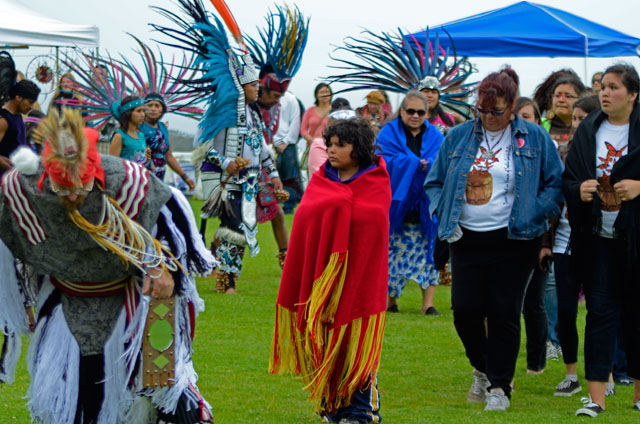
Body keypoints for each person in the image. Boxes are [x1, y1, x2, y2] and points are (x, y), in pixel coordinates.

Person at [0, 108, 215, 422]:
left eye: (80, 187)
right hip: (65, 303)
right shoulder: (23, 192)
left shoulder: (131, 185)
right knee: (69, 401)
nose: (73, 197)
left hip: (129, 300)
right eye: (63, 188)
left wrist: (161, 268)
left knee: (154, 389)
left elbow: (168, 232)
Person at [425, 66, 563, 411]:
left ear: (512, 106)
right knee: (466, 312)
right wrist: (443, 213)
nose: (488, 117)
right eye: (481, 110)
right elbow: (435, 182)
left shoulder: (534, 137)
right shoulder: (457, 137)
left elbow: (554, 183)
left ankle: (500, 387)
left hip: (515, 238)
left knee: (503, 311)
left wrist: (536, 213)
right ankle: (483, 369)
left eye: (496, 111)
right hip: (466, 237)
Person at [154, 0, 283, 294]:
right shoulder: (226, 115)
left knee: (241, 228)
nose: (258, 91)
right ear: (241, 86)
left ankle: (218, 269)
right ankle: (226, 281)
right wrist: (227, 165)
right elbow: (206, 151)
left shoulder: (252, 114)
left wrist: (272, 174)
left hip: (248, 179)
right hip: (225, 180)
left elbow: (261, 148)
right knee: (232, 229)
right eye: (254, 87)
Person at [270, 118, 391, 424]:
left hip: (360, 278)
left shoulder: (376, 179)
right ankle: (332, 408)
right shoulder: (322, 179)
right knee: (323, 341)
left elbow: (374, 225)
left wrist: (343, 209)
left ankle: (360, 411)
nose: (332, 150)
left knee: (356, 341)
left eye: (341, 145)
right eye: (330, 144)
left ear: (358, 148)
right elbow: (306, 222)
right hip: (322, 281)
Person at [564, 63, 640, 417]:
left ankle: (639, 396)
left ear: (633, 94)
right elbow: (569, 179)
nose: (605, 93)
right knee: (599, 314)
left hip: (636, 237)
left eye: (614, 87)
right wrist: (578, 189)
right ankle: (595, 399)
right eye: (603, 87)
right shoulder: (589, 131)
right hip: (598, 237)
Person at [545, 93, 600, 398]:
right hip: (564, 241)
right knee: (565, 311)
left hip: (596, 242)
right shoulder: (562, 153)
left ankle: (603, 373)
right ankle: (571, 373)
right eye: (575, 118)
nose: (577, 124)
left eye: (583, 118)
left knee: (600, 310)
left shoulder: (606, 153)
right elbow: (554, 195)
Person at [248, 4, 309, 267]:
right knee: (237, 218)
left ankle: (287, 259)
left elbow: (264, 144)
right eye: (274, 95)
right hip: (237, 167)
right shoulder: (243, 106)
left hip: (261, 164)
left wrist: (272, 174)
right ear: (261, 88)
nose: (277, 101)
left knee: (276, 213)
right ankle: (214, 257)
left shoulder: (275, 108)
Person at [377, 91, 443, 315]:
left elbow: (442, 162)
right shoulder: (388, 134)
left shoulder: (436, 136)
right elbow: (381, 161)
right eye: (410, 111)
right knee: (392, 254)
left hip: (425, 208)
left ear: (428, 113)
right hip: (397, 206)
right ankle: (391, 301)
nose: (415, 116)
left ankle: (428, 304)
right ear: (402, 111)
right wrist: (414, 163)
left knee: (429, 254)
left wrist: (429, 164)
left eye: (420, 112)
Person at [141, 93, 195, 190]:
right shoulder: (138, 127)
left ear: (162, 110)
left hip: (159, 179)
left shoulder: (163, 128)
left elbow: (169, 157)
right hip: (141, 178)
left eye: (157, 106)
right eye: (149, 105)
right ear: (143, 108)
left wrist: (185, 177)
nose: (153, 109)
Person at [0, 53, 40, 177]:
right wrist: (12, 169)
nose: (32, 107)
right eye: (30, 102)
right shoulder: (4, 120)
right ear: (18, 98)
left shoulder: (16, 115)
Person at [307, 97, 353, 176]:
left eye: (348, 122)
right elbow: (322, 178)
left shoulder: (356, 143)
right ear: (329, 122)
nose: (344, 127)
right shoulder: (319, 145)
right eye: (339, 122)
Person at [109, 95, 149, 166]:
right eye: (138, 111)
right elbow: (112, 165)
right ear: (128, 113)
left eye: (143, 111)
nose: (143, 114)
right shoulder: (119, 136)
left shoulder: (141, 135)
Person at [301, 83, 332, 147]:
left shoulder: (334, 111)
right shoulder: (310, 110)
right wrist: (311, 139)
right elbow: (303, 130)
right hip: (312, 146)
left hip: (328, 146)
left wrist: (320, 139)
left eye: (327, 92)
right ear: (316, 95)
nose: (325, 94)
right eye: (322, 92)